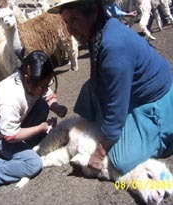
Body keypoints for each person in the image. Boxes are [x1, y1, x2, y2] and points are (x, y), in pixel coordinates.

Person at [47, 0, 173, 175]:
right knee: (90, 89)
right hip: (135, 92)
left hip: (154, 102)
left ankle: (160, 133)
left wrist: (99, 153)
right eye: (66, 22)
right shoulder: (102, 29)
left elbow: (117, 106)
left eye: (74, 19)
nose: (70, 29)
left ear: (93, 11)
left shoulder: (114, 47)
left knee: (120, 160)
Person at [0, 50, 67, 193]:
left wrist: (57, 108)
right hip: (1, 137)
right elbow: (10, 135)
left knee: (42, 105)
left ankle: (14, 153)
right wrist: (41, 128)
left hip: (17, 123)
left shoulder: (35, 82)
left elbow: (47, 95)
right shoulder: (11, 97)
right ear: (28, 78)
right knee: (34, 164)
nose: (46, 89)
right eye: (43, 86)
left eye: (48, 83)